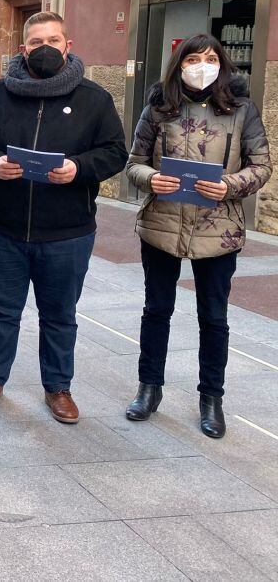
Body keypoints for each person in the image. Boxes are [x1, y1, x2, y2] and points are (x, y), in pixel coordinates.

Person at [0, 11, 127, 423]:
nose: (45, 48)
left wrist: (78, 169)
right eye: (36, 42)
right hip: (1, 227)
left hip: (67, 232)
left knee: (60, 315)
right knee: (0, 310)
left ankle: (58, 387)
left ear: (69, 46)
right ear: (23, 49)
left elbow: (115, 152)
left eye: (53, 40)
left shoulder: (94, 99)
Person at [124, 34, 270, 438]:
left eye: (210, 58)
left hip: (217, 229)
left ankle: (211, 398)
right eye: (193, 58)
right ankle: (149, 389)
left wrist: (231, 185)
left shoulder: (242, 110)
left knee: (214, 316)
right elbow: (133, 163)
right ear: (179, 63)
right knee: (157, 311)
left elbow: (261, 165)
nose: (201, 65)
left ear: (221, 63)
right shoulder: (158, 107)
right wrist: (153, 178)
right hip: (162, 224)